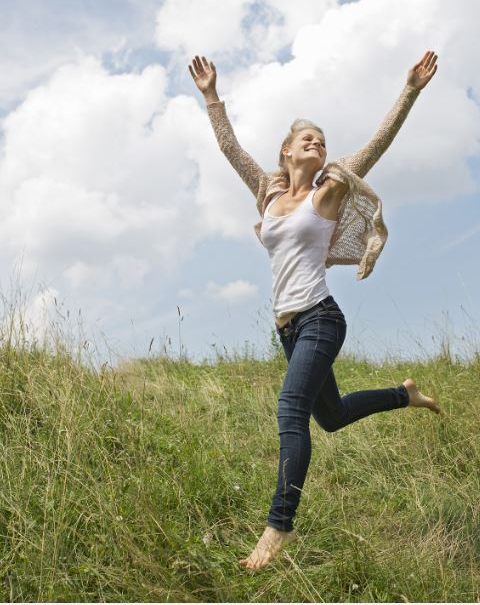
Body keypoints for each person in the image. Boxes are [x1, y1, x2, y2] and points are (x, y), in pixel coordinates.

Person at [189, 50, 442, 570]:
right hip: (287, 328)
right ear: (286, 151)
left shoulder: (329, 190)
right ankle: (405, 394)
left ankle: (277, 529)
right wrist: (212, 96)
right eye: (307, 139)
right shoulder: (269, 193)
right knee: (330, 416)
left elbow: (378, 142)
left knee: (290, 411)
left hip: (321, 318)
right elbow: (230, 149)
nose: (317, 145)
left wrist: (410, 90)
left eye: (322, 141)